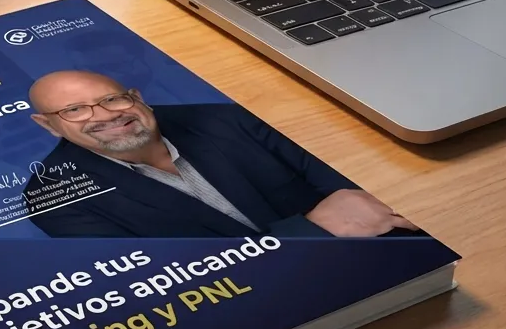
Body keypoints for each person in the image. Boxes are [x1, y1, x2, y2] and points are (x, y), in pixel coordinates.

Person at [23, 71, 419, 239]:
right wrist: (312, 229)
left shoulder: (226, 118)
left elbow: (358, 185)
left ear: (137, 99)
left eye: (112, 99)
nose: (107, 115)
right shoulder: (54, 197)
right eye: (74, 110)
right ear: (48, 125)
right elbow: (165, 285)